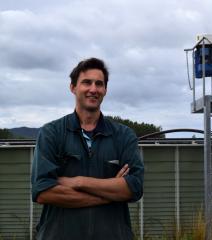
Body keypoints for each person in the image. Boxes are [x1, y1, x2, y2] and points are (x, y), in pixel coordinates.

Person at [31, 58, 144, 240]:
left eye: (99, 84)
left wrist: (79, 182)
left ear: (105, 90)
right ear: (73, 87)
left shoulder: (123, 136)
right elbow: (43, 191)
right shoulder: (51, 133)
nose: (93, 89)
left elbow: (134, 188)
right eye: (86, 82)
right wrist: (110, 193)